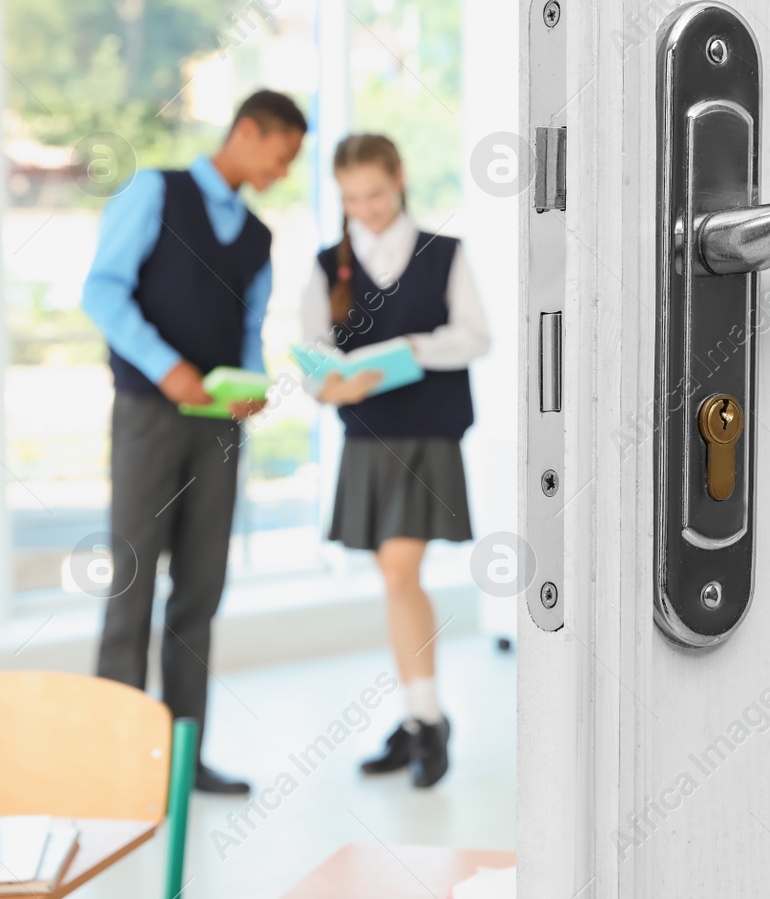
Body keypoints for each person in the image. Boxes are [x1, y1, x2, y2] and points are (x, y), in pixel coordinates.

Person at [81, 89, 307, 796]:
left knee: (200, 590)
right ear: (246, 131)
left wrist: (251, 384)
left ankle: (182, 763)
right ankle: (112, 761)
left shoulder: (260, 238)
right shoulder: (156, 192)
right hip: (148, 415)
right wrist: (167, 366)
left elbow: (248, 333)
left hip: (217, 429)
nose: (283, 169)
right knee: (132, 581)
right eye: (281, 153)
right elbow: (102, 291)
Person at [300, 133, 489, 789]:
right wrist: (331, 384)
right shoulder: (328, 266)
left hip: (428, 434)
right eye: (352, 198)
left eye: (375, 193)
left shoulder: (445, 254)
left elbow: (475, 336)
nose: (367, 208)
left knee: (399, 568)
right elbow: (315, 356)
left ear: (399, 179)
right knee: (394, 576)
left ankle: (427, 717)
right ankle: (418, 717)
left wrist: (406, 348)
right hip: (366, 438)